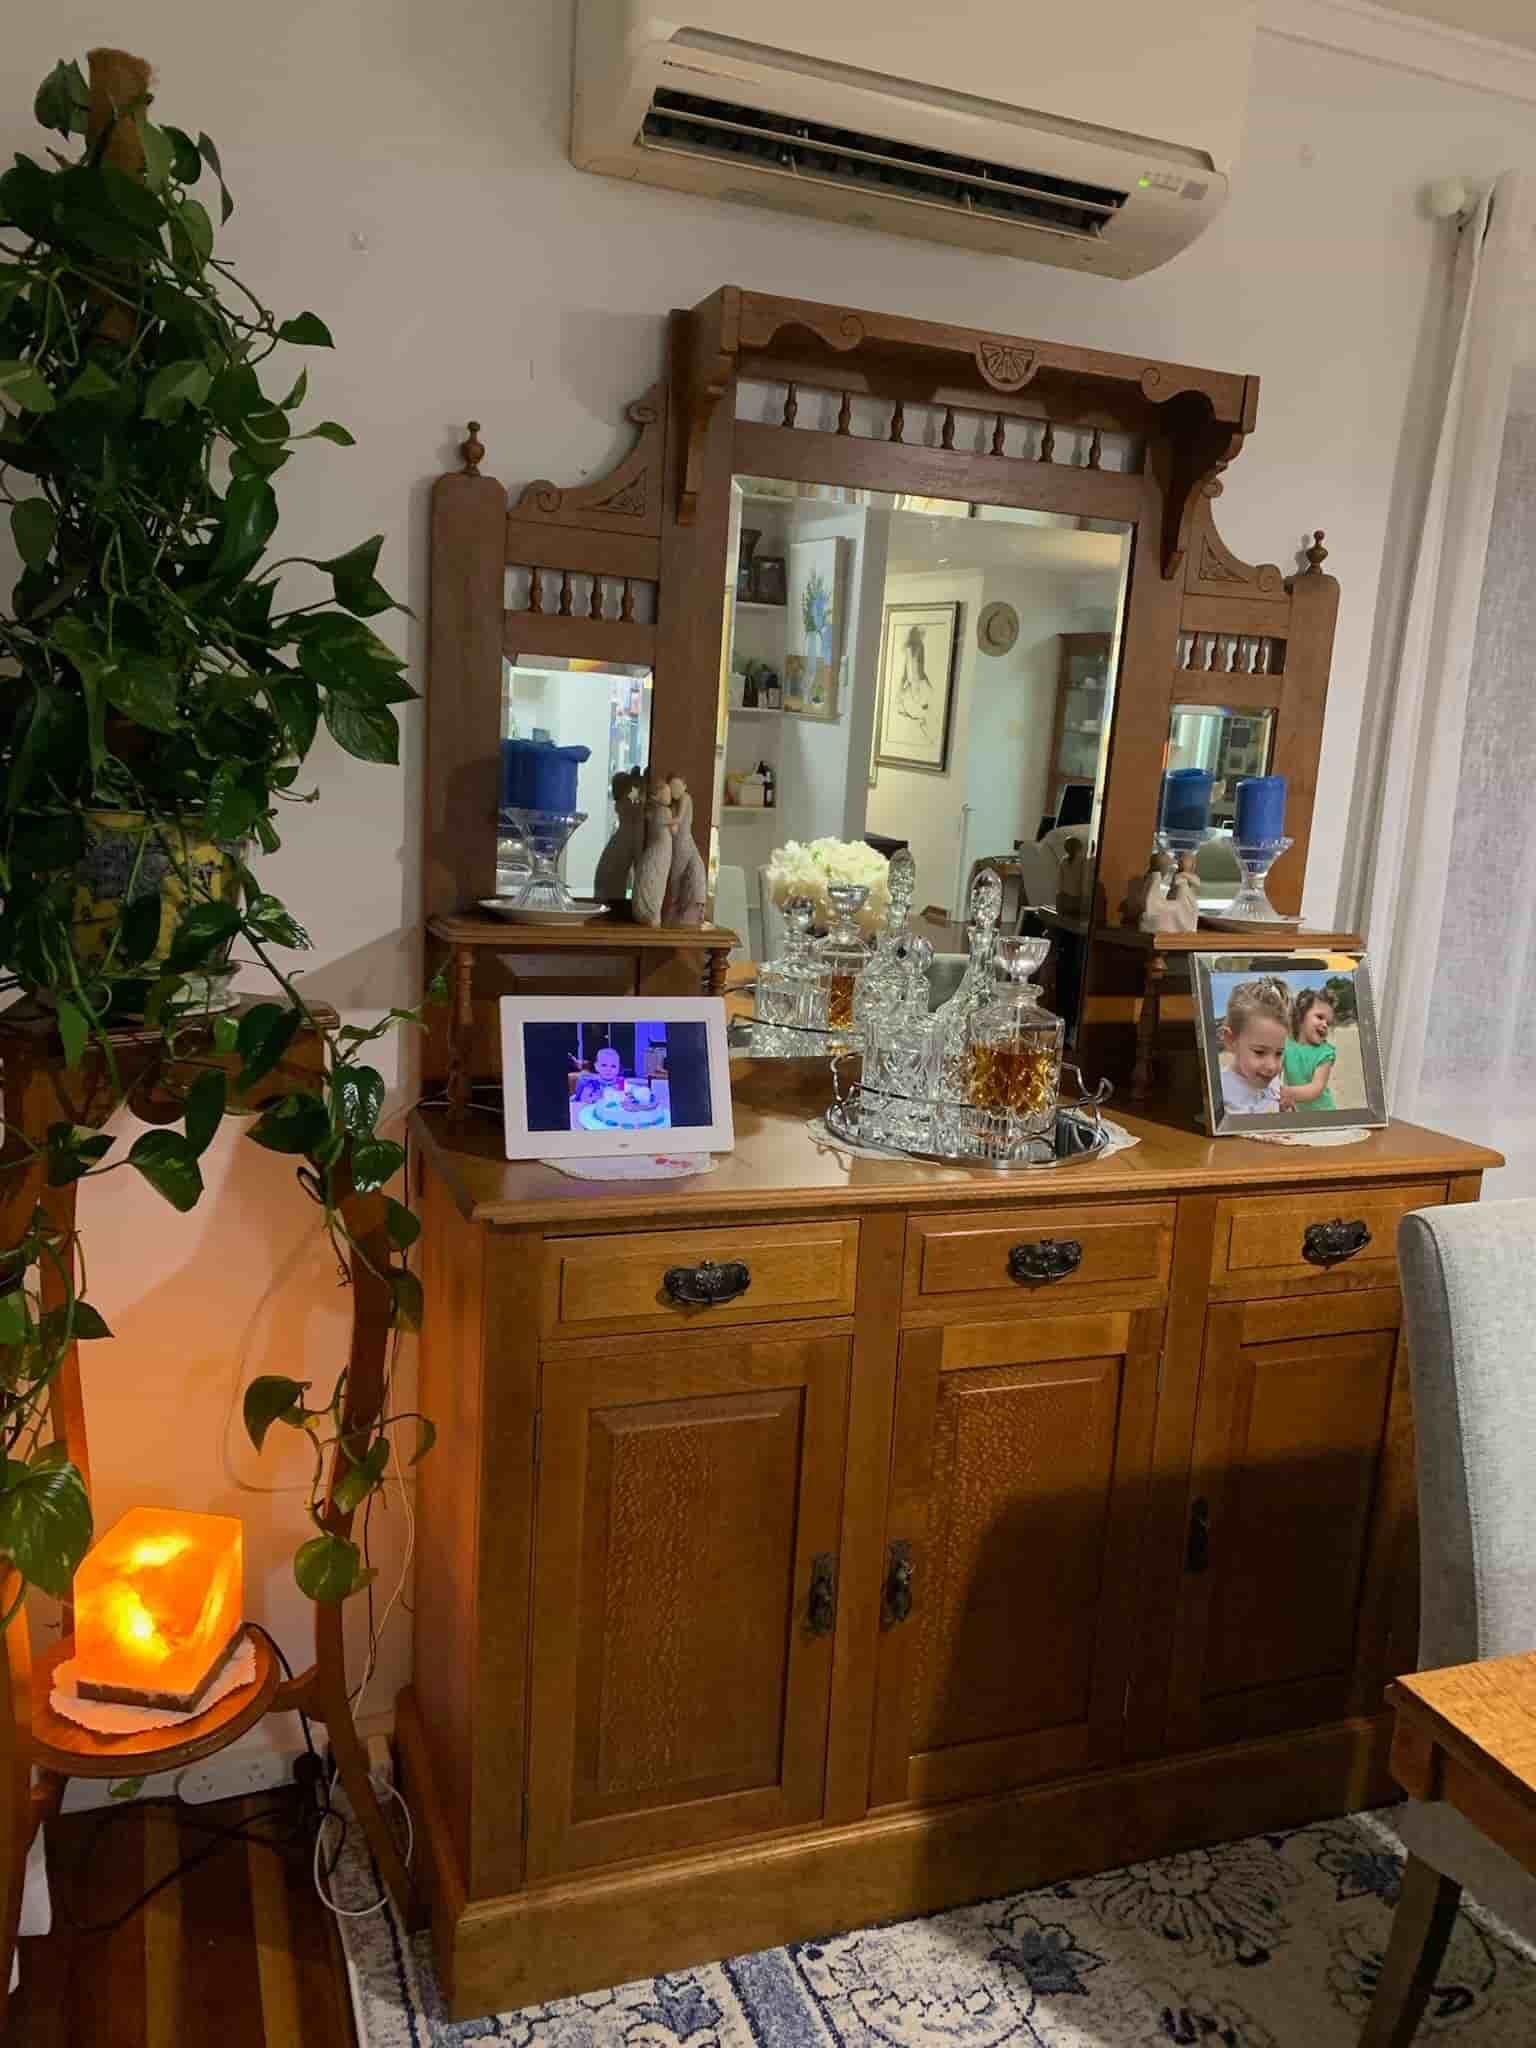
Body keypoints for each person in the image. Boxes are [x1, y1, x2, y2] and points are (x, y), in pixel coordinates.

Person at [1218, 976, 1292, 1114]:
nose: (1272, 1066)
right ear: (1230, 1040)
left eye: (1279, 1053)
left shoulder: (1274, 1083)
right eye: (1259, 1052)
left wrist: (1285, 1111)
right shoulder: (1219, 1089)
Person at [1280, 987, 1338, 1111]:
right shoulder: (1286, 1046)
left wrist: (1286, 1092)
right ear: (1301, 1016)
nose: (1325, 1025)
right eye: (1320, 1017)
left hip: (1325, 1114)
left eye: (1329, 1023)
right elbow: (1275, 1071)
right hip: (1300, 1116)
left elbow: (1315, 1089)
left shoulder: (1325, 1053)